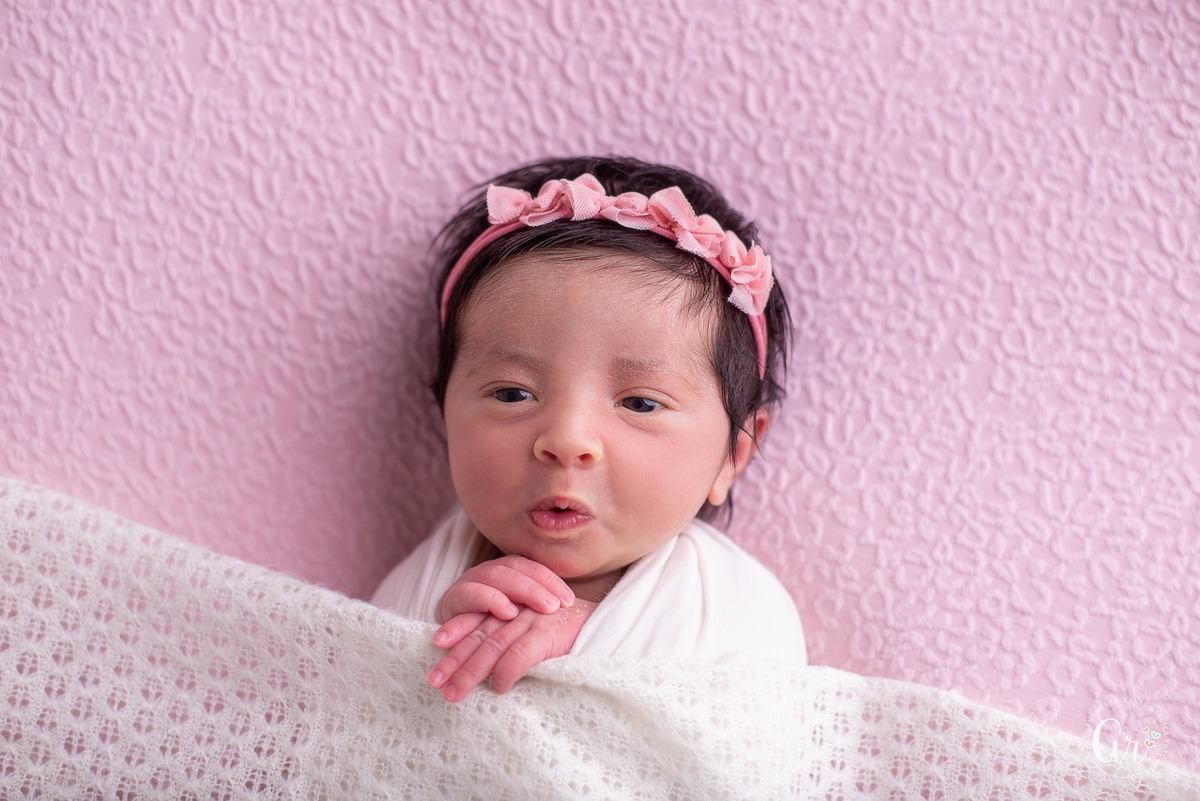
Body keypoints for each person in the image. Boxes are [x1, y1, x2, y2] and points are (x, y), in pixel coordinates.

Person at [372, 156, 806, 702]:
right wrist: (434, 645)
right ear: (445, 417)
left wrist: (588, 638)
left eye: (640, 403)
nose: (567, 440)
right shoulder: (431, 570)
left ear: (734, 454)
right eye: (512, 394)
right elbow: (364, 702)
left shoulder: (731, 600)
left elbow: (744, 725)